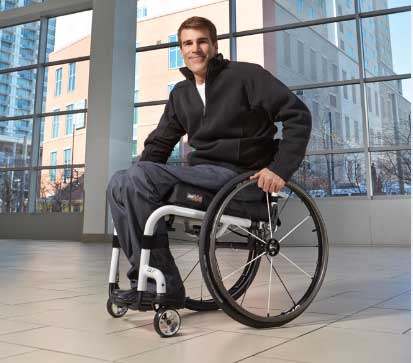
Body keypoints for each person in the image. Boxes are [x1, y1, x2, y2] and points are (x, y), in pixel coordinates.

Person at [107, 16, 312, 307]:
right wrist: (136, 176)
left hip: (241, 178)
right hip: (203, 175)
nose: (195, 49)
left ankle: (167, 287)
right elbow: (159, 145)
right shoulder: (181, 94)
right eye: (187, 43)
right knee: (119, 181)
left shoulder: (246, 77)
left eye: (202, 41)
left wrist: (279, 169)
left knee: (134, 178)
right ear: (181, 49)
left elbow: (298, 115)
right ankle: (148, 280)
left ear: (215, 45)